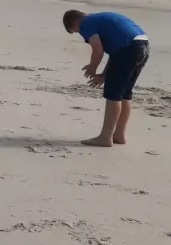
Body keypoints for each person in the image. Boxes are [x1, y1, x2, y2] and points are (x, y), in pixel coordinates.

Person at [63, 10, 150, 147]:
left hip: (129, 50)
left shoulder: (86, 23)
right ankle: (119, 135)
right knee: (125, 94)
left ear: (74, 23)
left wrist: (92, 67)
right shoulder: (100, 19)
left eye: (76, 31)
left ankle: (105, 137)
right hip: (142, 46)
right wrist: (103, 75)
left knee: (113, 95)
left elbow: (98, 50)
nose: (82, 35)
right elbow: (117, 52)